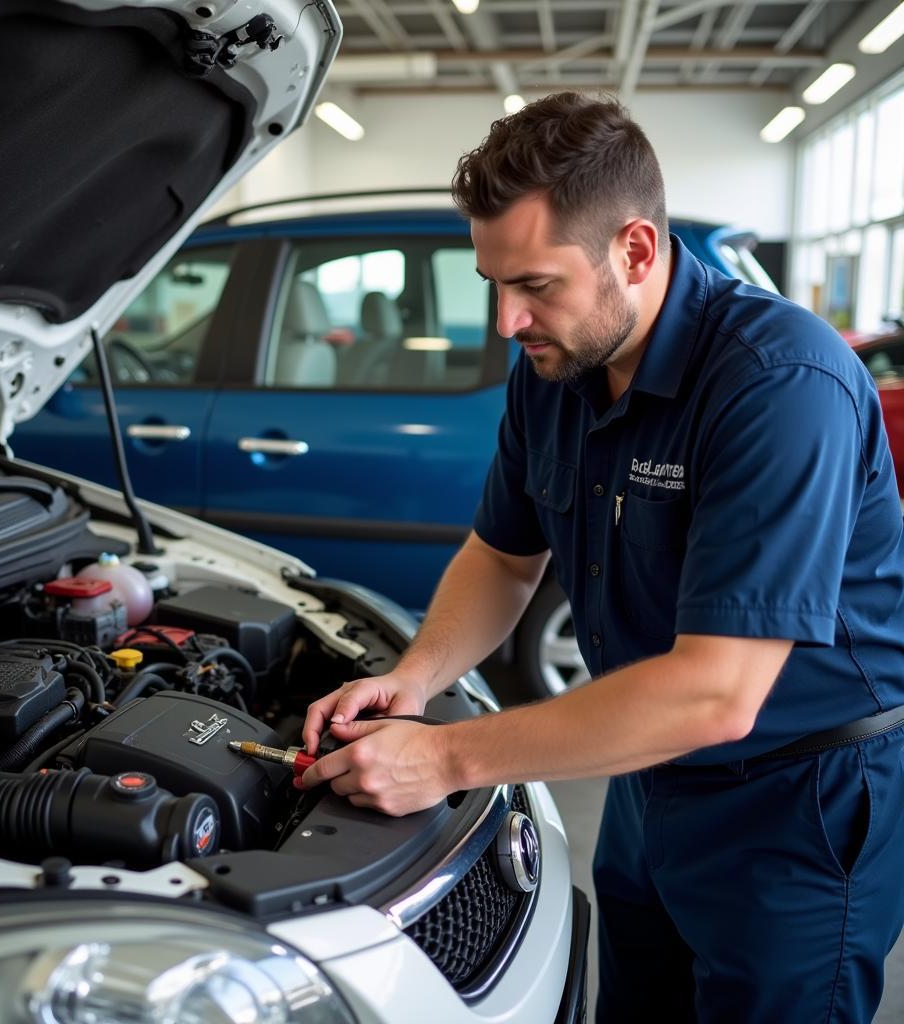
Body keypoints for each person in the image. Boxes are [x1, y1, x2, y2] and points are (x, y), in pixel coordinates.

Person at [297, 91, 904, 1023]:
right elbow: (501, 558)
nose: (507, 320)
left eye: (537, 284)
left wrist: (449, 759)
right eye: (492, 283)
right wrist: (415, 679)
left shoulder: (781, 384)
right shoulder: (556, 371)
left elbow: (717, 693)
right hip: (649, 772)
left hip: (798, 804)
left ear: (636, 250)